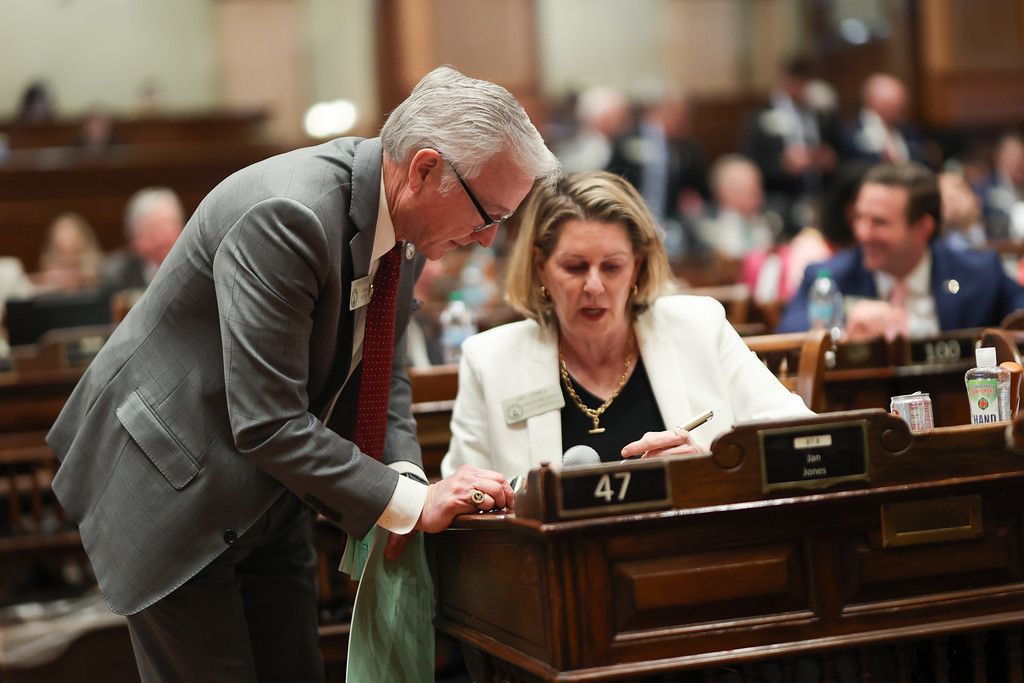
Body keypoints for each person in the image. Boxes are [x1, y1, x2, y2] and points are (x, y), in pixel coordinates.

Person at [46, 66, 560, 682]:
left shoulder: (404, 223)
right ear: (424, 169)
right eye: (486, 215)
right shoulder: (290, 214)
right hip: (170, 480)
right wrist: (412, 503)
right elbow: (267, 422)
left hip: (266, 490)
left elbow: (383, 373)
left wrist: (399, 477)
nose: (486, 240)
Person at [440, 171, 812, 481]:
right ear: (540, 267)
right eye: (574, 267)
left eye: (612, 267)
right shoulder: (490, 360)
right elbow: (467, 500)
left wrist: (709, 470)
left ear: (637, 266)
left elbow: (805, 442)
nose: (594, 286)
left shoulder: (700, 327)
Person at [777, 162, 1024, 339]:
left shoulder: (980, 273)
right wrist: (841, 329)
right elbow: (787, 337)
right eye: (860, 218)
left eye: (879, 222)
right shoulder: (828, 278)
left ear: (923, 227)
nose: (862, 233)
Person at [100, 186, 186, 293]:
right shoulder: (117, 276)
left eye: (168, 228)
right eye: (152, 231)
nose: (161, 239)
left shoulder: (199, 266)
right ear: (134, 238)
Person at [844, 73, 929, 165]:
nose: (899, 110)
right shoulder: (849, 133)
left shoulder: (911, 131)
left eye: (901, 105)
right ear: (874, 101)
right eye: (893, 105)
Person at [31, 212, 104, 292]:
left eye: (71, 240)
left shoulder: (98, 267)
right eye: (63, 242)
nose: (67, 246)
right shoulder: (51, 271)